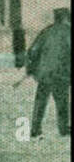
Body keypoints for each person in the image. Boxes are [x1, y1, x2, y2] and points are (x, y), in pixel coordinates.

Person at [25, 7, 71, 139]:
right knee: (62, 102)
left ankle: (35, 128)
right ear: (66, 17)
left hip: (44, 74)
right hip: (61, 74)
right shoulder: (68, 31)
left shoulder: (46, 31)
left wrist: (31, 68)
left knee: (40, 101)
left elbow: (33, 50)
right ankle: (63, 128)